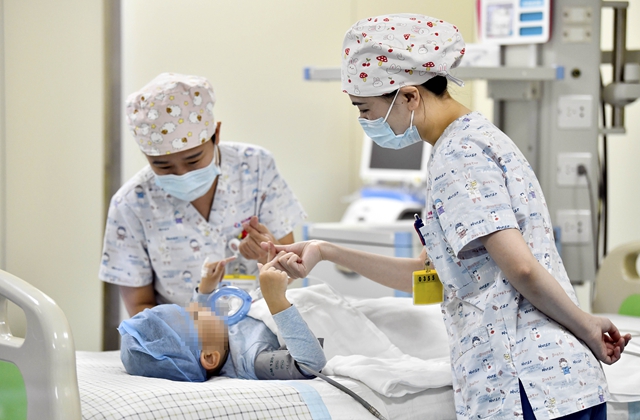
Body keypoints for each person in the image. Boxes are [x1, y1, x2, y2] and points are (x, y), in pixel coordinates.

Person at [264, 13, 631, 420]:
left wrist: (586, 325)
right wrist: (327, 251)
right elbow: (435, 281)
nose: (365, 121)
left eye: (365, 109)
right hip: (547, 385)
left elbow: (521, 268)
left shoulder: (459, 157)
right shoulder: (468, 142)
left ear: (408, 97)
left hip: (526, 384)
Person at [99, 73, 306, 316]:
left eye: (193, 160)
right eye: (162, 166)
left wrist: (271, 257)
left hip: (261, 326)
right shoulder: (131, 204)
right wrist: (195, 339)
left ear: (216, 134)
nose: (181, 174)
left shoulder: (256, 167)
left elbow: (292, 271)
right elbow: (140, 308)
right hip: (183, 340)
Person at [118, 250, 326, 382]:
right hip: (326, 320)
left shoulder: (218, 338)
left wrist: (207, 286)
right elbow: (308, 364)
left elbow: (202, 328)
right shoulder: (251, 360)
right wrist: (277, 301)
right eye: (189, 317)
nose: (195, 308)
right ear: (209, 357)